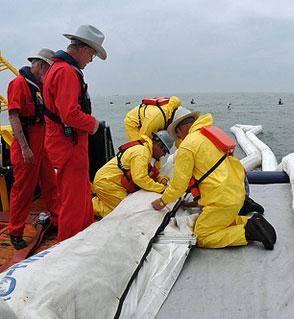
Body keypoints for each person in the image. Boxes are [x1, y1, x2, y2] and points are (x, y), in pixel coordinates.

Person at [151, 108, 276, 249]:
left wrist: (162, 202)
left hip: (221, 201)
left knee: (202, 235)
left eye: (177, 134)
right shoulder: (211, 134)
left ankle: (248, 231)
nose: (179, 138)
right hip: (238, 193)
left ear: (181, 128)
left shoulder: (187, 147)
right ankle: (250, 221)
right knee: (220, 220)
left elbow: (178, 186)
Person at [43, 25, 106, 241]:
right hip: (69, 145)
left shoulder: (59, 69)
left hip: (68, 144)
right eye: (92, 55)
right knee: (73, 202)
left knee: (80, 197)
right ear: (82, 49)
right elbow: (69, 113)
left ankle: (84, 239)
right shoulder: (67, 72)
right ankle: (68, 250)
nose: (90, 60)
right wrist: (93, 124)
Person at [6, 49, 59, 249]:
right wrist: (25, 148)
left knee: (50, 182)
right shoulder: (19, 84)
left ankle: (57, 219)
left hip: (41, 141)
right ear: (41, 66)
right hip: (26, 144)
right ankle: (15, 231)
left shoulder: (38, 87)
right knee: (23, 190)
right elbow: (13, 117)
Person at [92, 131, 172, 217]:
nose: (164, 155)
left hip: (116, 184)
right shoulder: (141, 153)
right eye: (164, 151)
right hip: (107, 182)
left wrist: (162, 179)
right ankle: (89, 205)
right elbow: (140, 178)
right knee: (123, 211)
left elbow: (152, 176)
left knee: (127, 210)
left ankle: (95, 202)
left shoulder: (153, 159)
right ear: (159, 145)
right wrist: (161, 189)